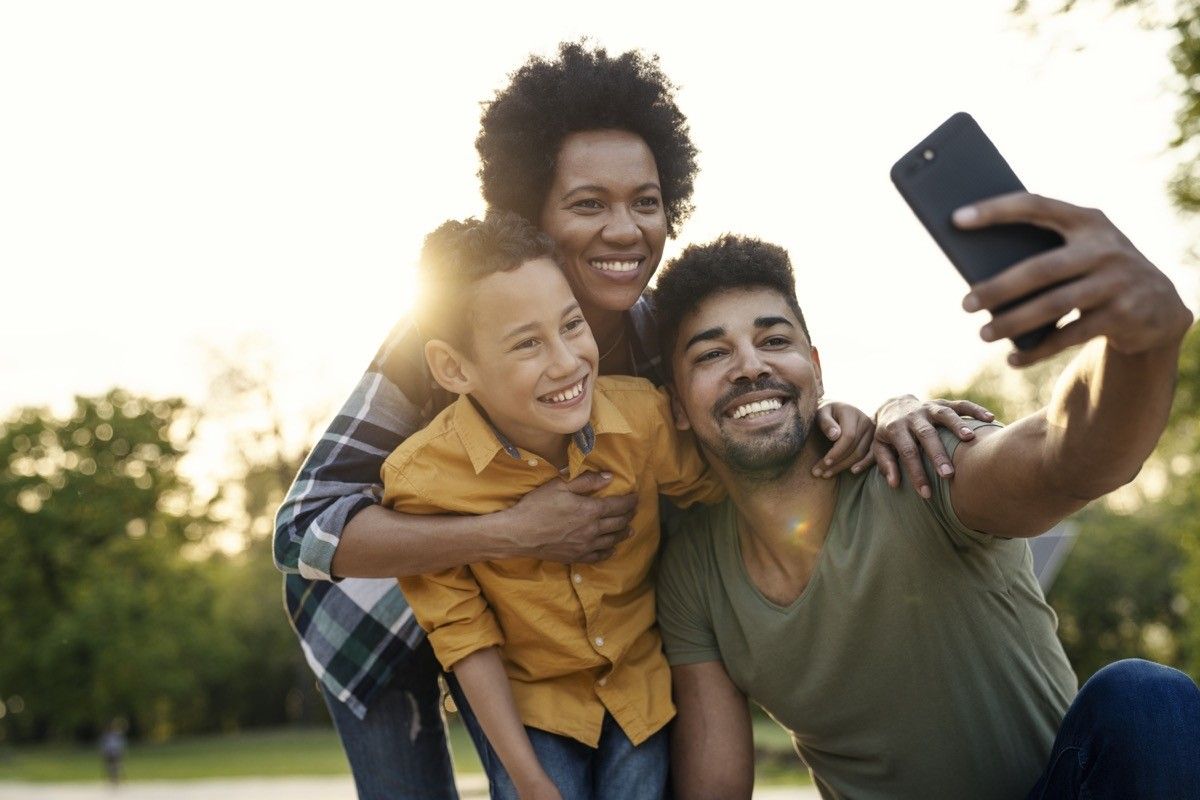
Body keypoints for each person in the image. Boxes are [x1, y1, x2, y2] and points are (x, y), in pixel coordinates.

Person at [273, 42, 987, 799]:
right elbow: (302, 530)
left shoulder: (658, 338)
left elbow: (754, 418)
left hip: (571, 638)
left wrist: (876, 412)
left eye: (646, 202)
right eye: (589, 204)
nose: (626, 231)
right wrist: (511, 530)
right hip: (379, 616)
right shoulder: (438, 338)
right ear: (530, 217)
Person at [652, 202, 1200, 799]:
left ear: (814, 367)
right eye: (712, 354)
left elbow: (1066, 456)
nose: (750, 367)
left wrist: (1136, 347)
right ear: (678, 404)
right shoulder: (694, 570)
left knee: (1148, 700)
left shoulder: (919, 461)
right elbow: (714, 788)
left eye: (773, 339)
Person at [383, 212, 725, 800]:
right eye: (527, 344)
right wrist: (529, 779)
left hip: (639, 688)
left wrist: (836, 425)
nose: (566, 361)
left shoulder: (641, 420)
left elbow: (725, 488)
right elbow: (464, 639)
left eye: (572, 326)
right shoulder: (424, 480)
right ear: (453, 368)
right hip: (529, 711)